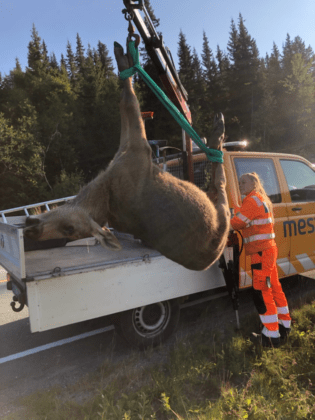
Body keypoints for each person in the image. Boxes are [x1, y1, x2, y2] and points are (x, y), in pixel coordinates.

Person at [230, 172, 291, 347]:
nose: (240, 184)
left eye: (243, 182)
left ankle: (271, 335)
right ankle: (284, 325)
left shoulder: (251, 201)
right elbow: (245, 216)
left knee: (262, 292)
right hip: (268, 251)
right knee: (274, 288)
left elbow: (237, 223)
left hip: (261, 253)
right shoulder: (258, 199)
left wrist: (223, 220)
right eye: (239, 182)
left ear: (254, 183)